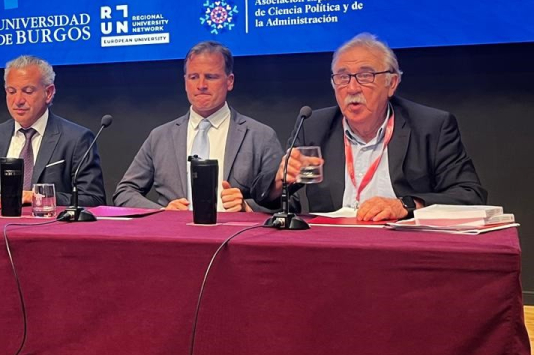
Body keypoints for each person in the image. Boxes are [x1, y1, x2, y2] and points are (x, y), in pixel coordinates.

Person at [255, 33, 486, 221]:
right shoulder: (314, 126)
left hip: (402, 248)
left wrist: (407, 205)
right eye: (343, 77)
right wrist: (280, 180)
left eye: (365, 76)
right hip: (333, 247)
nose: (352, 88)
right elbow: (273, 199)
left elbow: (470, 195)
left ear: (392, 83)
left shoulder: (430, 127)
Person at [114, 41, 282, 211]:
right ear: (185, 82)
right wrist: (161, 213)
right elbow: (125, 192)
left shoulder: (260, 136)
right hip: (175, 235)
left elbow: (289, 201)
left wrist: (247, 207)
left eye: (210, 77)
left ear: (229, 81)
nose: (201, 85)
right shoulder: (160, 137)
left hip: (233, 235)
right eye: (193, 77)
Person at [0, 55, 105, 206]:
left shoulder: (76, 139)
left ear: (48, 93)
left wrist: (39, 197)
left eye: (28, 91)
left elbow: (93, 199)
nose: (18, 100)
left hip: (47, 228)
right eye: (11, 92)